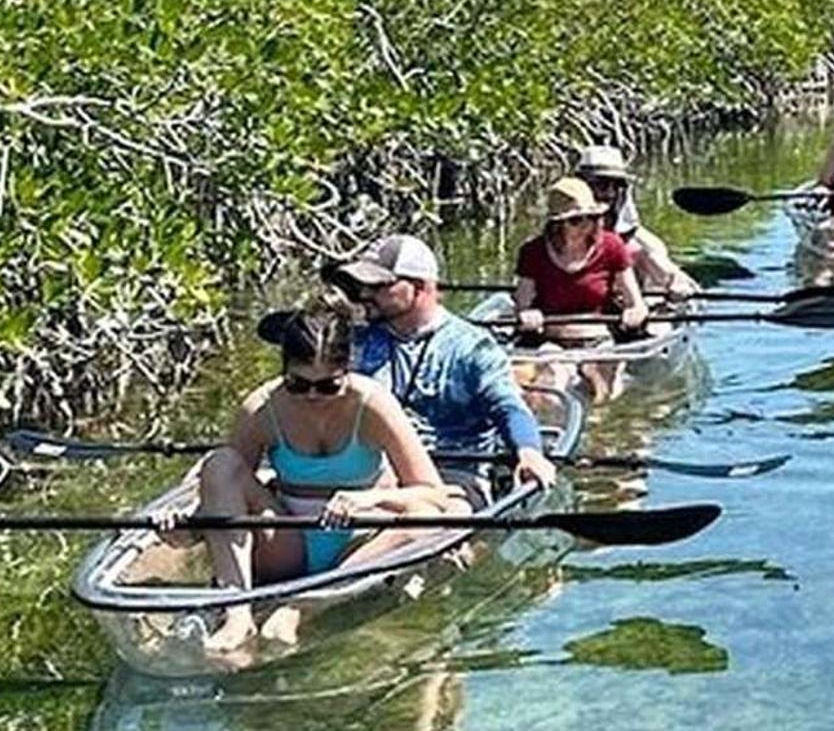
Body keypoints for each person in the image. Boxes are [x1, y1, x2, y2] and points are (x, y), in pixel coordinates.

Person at [163, 291, 454, 655]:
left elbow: (434, 494)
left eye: (328, 385)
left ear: (347, 369)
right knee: (220, 462)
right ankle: (237, 612)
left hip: (360, 542)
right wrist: (189, 525)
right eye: (298, 384)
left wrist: (370, 499)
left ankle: (304, 605)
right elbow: (225, 490)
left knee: (424, 517)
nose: (312, 396)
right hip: (288, 542)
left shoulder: (373, 404)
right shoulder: (261, 409)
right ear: (283, 370)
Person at [331, 234, 560, 502]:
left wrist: (528, 451)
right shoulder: (358, 340)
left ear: (419, 287)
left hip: (454, 475)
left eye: (379, 286)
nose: (365, 295)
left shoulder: (472, 347)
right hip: (374, 471)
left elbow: (507, 406)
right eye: (363, 286)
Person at [512, 177, 651, 401]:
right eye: (576, 220)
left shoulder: (612, 246)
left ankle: (603, 416)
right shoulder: (533, 251)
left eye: (593, 218)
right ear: (557, 224)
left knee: (602, 380)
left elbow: (636, 303)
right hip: (552, 341)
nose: (586, 225)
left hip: (598, 338)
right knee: (552, 376)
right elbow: (522, 304)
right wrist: (527, 315)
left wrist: (634, 313)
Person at [573, 145, 700, 301]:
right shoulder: (559, 236)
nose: (610, 193)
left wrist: (677, 282)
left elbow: (664, 269)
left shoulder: (641, 244)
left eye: (617, 186)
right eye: (602, 184)